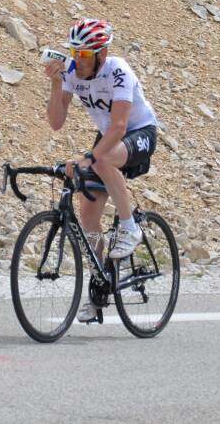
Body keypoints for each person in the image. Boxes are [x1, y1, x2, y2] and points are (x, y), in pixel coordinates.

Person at [44, 18, 158, 323]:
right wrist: (57, 84)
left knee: (102, 159)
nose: (77, 61)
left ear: (101, 54)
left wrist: (90, 158)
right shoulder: (71, 72)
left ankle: (130, 227)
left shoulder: (118, 70)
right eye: (73, 52)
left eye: (84, 55)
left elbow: (120, 125)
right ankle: (99, 285)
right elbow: (56, 122)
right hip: (109, 136)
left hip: (138, 131)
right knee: (88, 212)